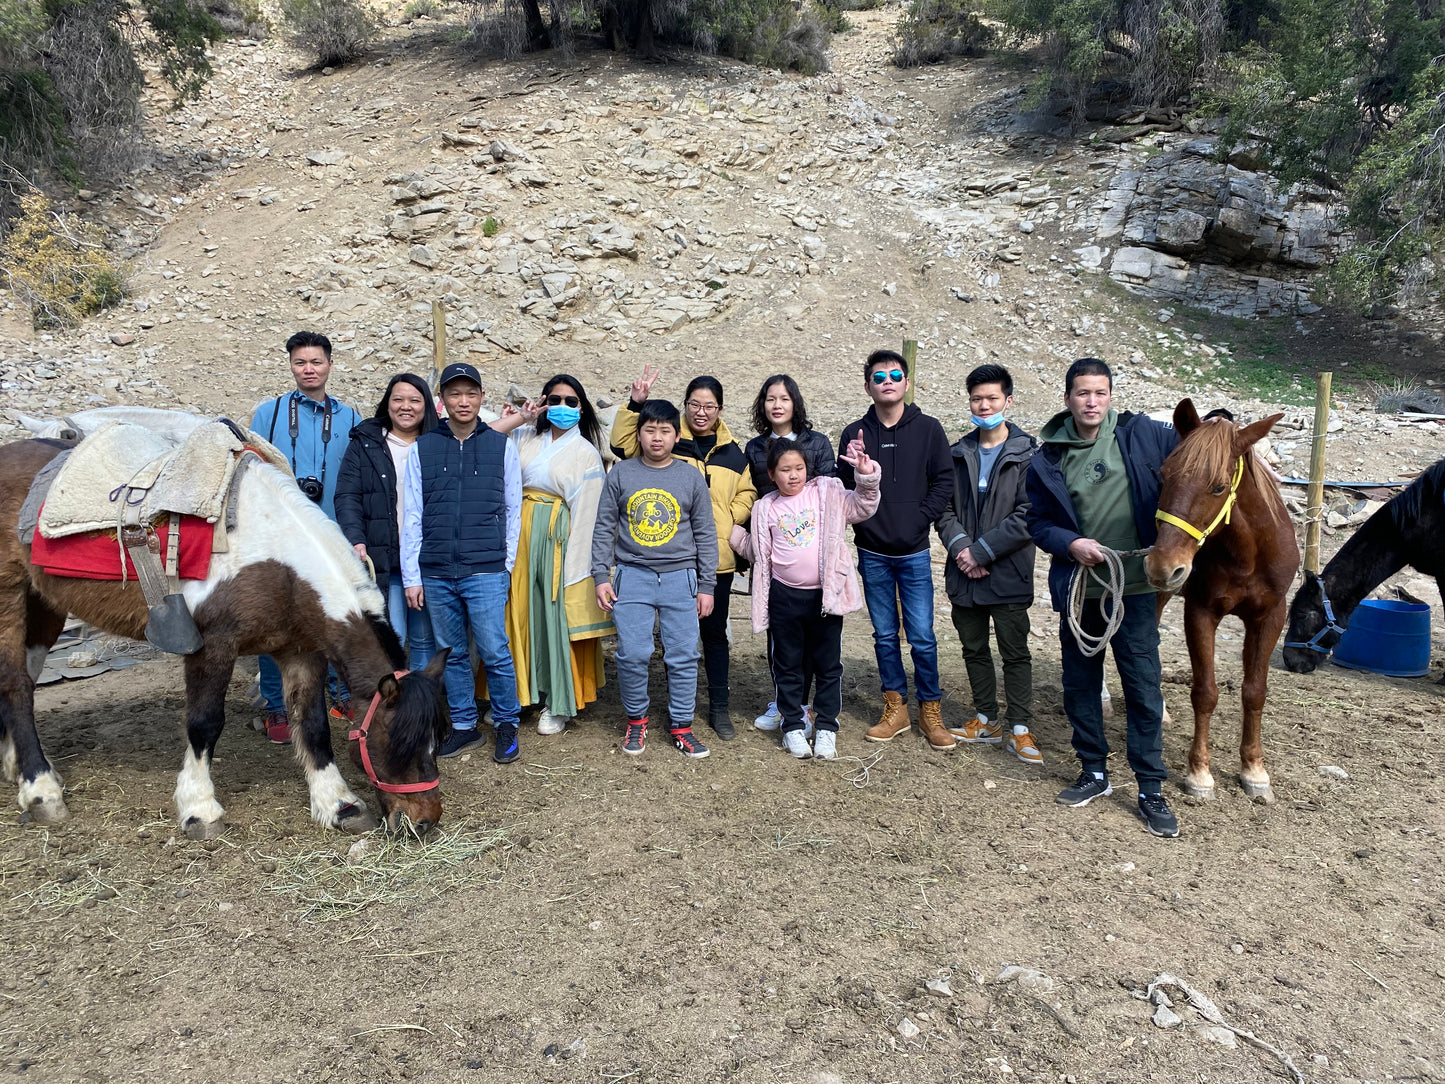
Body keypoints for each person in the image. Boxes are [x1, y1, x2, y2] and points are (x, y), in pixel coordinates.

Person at [1025, 357, 1181, 838]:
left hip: (1134, 588)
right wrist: (1069, 543)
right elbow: (1036, 522)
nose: (1092, 401)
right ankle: (1093, 771)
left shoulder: (1143, 435)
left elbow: (1201, 451)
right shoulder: (1047, 457)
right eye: (1082, 393)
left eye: (1100, 392)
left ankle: (1150, 787)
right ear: (1068, 398)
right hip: (1080, 589)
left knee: (1142, 686)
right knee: (1080, 682)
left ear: (1111, 395)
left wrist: (1226, 431)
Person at [610, 366, 756, 741]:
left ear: (720, 409)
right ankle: (644, 719)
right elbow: (621, 444)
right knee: (646, 648)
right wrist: (635, 403)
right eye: (694, 404)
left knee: (711, 638)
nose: (701, 411)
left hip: (712, 563)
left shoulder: (734, 452)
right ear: (685, 407)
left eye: (709, 405)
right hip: (659, 564)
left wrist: (729, 518)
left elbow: (747, 494)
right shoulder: (668, 440)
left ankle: (715, 710)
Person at [400, 362, 524, 763]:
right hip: (436, 570)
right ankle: (465, 726)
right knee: (450, 651)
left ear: (482, 397)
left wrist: (505, 563)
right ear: (443, 400)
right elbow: (412, 512)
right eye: (455, 394)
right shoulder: (424, 448)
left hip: (485, 568)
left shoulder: (501, 446)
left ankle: (507, 722)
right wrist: (411, 575)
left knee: (494, 649)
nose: (463, 401)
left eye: (471, 393)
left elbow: (512, 508)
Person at [730, 439, 879, 760]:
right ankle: (793, 726)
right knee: (787, 665)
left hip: (824, 597)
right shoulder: (765, 507)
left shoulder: (826, 492)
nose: (793, 475)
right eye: (785, 470)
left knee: (828, 665)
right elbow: (760, 552)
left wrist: (866, 477)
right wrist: (732, 534)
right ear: (772, 474)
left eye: (799, 468)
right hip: (784, 597)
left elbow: (862, 506)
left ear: (807, 470)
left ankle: (826, 727)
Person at [837, 349, 955, 751]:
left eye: (894, 374)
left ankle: (931, 709)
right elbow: (845, 494)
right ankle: (896, 707)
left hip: (915, 552)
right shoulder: (856, 433)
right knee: (885, 634)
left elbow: (943, 482)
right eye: (879, 376)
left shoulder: (929, 429)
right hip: (872, 552)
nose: (887, 381)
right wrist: (857, 471)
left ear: (906, 382)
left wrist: (918, 518)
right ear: (867, 385)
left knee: (922, 635)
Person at [249, 330, 363, 743]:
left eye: (316, 362)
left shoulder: (351, 417)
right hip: (279, 538)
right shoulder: (269, 414)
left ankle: (338, 692)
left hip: (331, 534)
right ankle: (276, 706)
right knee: (272, 620)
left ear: (330, 365)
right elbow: (251, 469)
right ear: (291, 366)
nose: (309, 369)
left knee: (333, 614)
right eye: (301, 362)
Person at [592, 398, 718, 760]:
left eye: (665, 430)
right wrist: (601, 575)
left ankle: (681, 726)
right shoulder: (621, 473)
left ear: (677, 435)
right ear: (640, 434)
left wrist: (706, 585)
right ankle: (636, 720)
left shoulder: (690, 476)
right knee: (632, 653)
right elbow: (603, 528)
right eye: (650, 430)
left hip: (682, 577)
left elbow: (705, 533)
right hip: (632, 576)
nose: (657, 438)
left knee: (682, 655)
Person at [488, 375, 613, 736]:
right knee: (516, 615)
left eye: (571, 401)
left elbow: (588, 513)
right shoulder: (525, 436)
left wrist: (576, 568)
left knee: (551, 616)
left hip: (555, 540)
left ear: (582, 408)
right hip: (515, 533)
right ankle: (516, 697)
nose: (562, 407)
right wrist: (516, 420)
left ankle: (557, 701)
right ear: (543, 401)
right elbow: (483, 447)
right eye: (554, 399)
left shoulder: (586, 453)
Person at [934, 364, 1041, 764]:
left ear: (1008, 401)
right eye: (977, 399)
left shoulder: (1029, 454)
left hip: (1008, 571)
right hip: (963, 573)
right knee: (973, 647)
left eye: (992, 398)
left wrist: (982, 552)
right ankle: (985, 718)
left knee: (1015, 652)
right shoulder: (956, 453)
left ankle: (1020, 727)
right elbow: (942, 509)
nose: (984, 405)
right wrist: (963, 548)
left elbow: (1030, 513)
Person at [743, 374, 837, 733]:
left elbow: (830, 494)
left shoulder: (817, 443)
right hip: (773, 548)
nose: (777, 405)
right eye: (770, 398)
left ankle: (806, 704)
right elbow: (752, 495)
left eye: (784, 398)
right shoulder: (754, 447)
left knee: (815, 638)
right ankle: (784, 701)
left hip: (811, 548)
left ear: (795, 403)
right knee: (779, 636)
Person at [335, 373, 438, 671]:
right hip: (384, 559)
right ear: (387, 403)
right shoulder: (365, 443)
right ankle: (397, 708)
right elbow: (347, 496)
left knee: (424, 639)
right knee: (393, 638)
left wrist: (518, 419)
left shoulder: (440, 443)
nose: (406, 407)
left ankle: (422, 705)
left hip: (428, 560)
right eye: (398, 399)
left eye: (415, 400)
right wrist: (356, 538)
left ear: (426, 405)